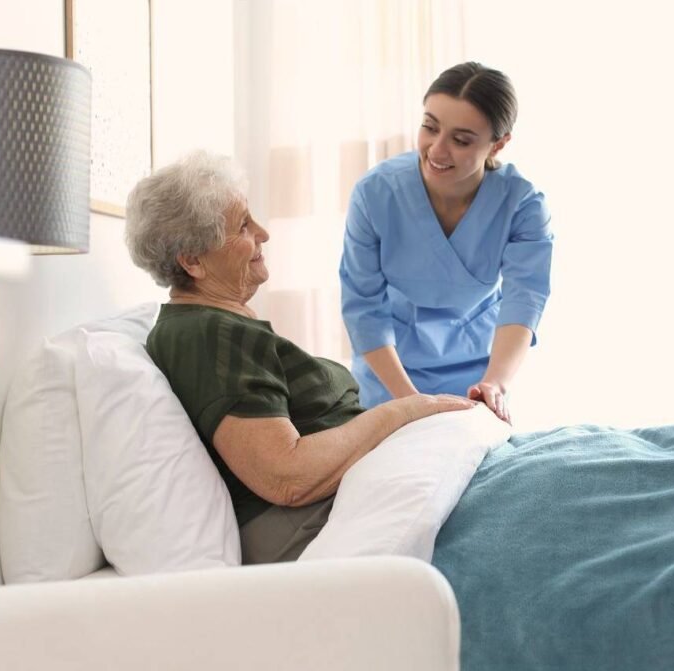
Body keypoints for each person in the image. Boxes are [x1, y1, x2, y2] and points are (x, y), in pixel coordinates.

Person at [125, 151, 476, 563]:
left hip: (351, 494)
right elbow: (286, 476)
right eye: (242, 225)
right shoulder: (207, 334)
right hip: (313, 520)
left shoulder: (210, 325)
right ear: (192, 261)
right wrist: (407, 411)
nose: (263, 233)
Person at [340, 62, 553, 424]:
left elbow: (523, 301)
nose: (437, 151)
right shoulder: (375, 194)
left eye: (461, 140)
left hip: (478, 371)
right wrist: (410, 403)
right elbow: (363, 308)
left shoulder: (523, 205)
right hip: (390, 371)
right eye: (429, 127)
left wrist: (495, 383)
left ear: (498, 144)